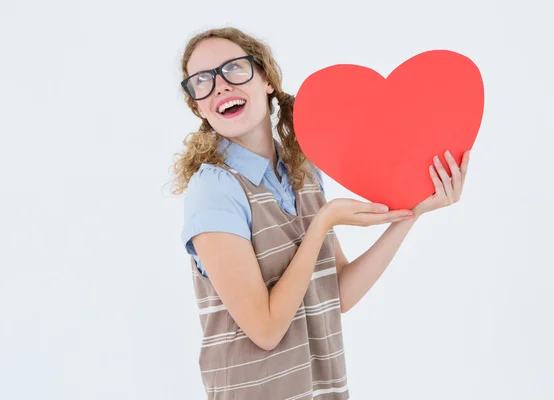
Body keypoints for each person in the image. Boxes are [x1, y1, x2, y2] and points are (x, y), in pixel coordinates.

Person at [171, 27, 470, 400]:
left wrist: (415, 212)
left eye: (233, 69)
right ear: (198, 105)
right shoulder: (214, 189)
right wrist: (323, 222)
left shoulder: (303, 171)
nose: (219, 87)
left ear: (266, 79)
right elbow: (264, 330)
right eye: (202, 81)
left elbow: (338, 292)